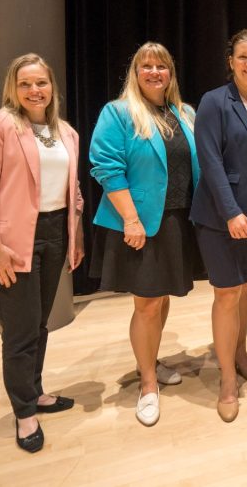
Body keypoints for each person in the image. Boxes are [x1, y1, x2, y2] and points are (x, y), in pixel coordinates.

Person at [0, 54, 84, 453]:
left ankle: (34, 392)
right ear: (13, 90)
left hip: (54, 234)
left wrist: (75, 236)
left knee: (39, 324)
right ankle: (24, 412)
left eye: (42, 83)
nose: (35, 90)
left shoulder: (66, 132)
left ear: (52, 87)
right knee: (18, 332)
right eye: (26, 84)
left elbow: (74, 192)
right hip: (11, 239)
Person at [89, 42, 202, 427]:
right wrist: (131, 220)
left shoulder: (184, 112)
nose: (155, 72)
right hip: (140, 221)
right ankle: (148, 383)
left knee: (162, 297)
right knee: (147, 304)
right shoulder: (118, 113)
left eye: (162, 66)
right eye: (146, 66)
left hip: (177, 220)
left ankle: (149, 361)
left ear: (171, 73)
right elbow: (105, 167)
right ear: (135, 73)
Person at [191, 30, 247, 422]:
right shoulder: (214, 102)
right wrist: (230, 212)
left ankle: (240, 354)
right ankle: (227, 379)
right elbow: (209, 162)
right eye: (243, 56)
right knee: (227, 293)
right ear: (231, 61)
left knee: (245, 287)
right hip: (222, 215)